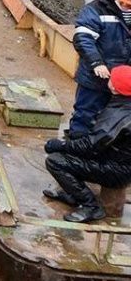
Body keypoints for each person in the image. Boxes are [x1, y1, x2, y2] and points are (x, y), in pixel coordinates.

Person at [43, 65, 131, 222]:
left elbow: (91, 146)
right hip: (117, 160)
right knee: (72, 148)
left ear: (116, 87)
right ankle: (73, 195)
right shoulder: (122, 104)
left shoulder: (118, 116)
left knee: (55, 161)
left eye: (112, 78)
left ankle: (90, 205)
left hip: (117, 170)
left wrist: (60, 145)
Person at [66, 0, 131, 138]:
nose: (125, 6)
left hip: (123, 82)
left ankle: (98, 147)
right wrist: (96, 63)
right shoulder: (95, 11)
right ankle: (76, 143)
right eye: (123, 2)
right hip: (95, 77)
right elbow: (83, 38)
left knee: (113, 119)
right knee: (85, 114)